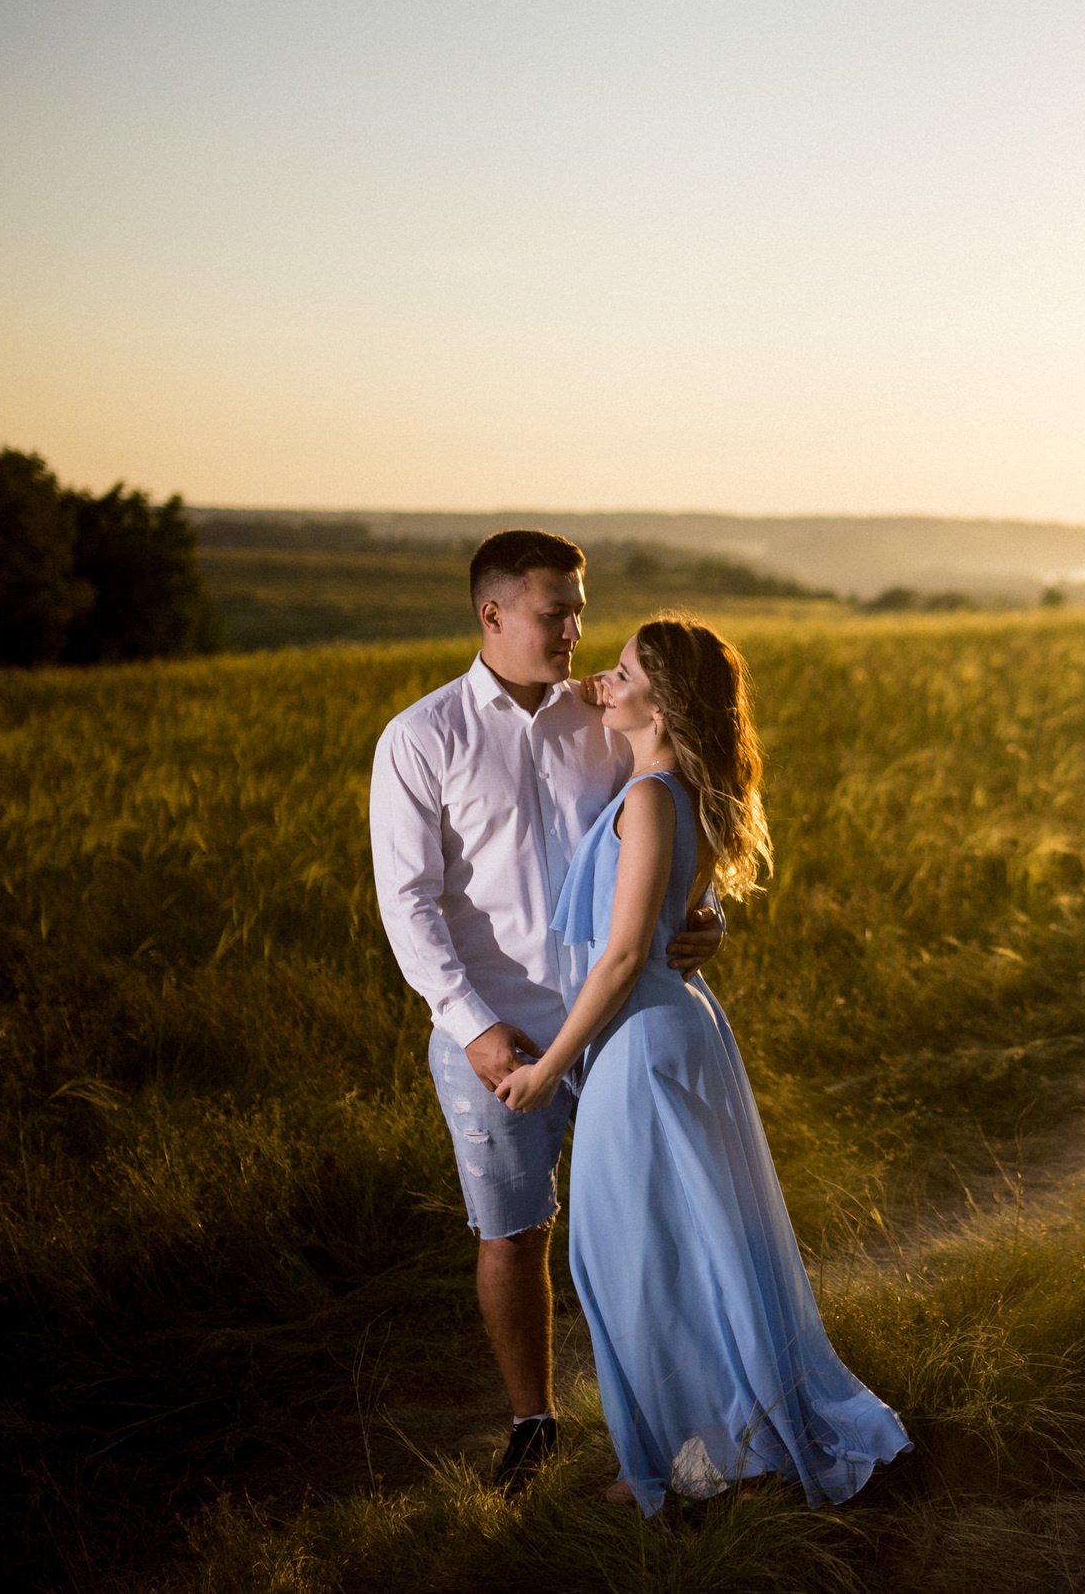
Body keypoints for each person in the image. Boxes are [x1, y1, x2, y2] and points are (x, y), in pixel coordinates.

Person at [493, 613, 911, 1512]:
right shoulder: (658, 783)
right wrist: (587, 689)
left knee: (637, 1265)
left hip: (641, 1045)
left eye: (624, 668)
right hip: (662, 1033)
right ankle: (705, 1454)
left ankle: (675, 1468)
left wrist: (545, 1069)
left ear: (665, 698)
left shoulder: (649, 795)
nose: (604, 675)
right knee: (672, 1256)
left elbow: (620, 955)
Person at [369, 530, 727, 1492]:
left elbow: (668, 811)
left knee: (648, 1226)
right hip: (493, 1034)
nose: (576, 627)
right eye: (554, 611)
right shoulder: (420, 738)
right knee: (512, 1231)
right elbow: (407, 905)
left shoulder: (601, 715)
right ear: (492, 614)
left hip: (619, 1026)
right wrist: (477, 1028)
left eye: (580, 607)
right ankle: (534, 1420)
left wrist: (708, 914)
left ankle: (669, 1429)